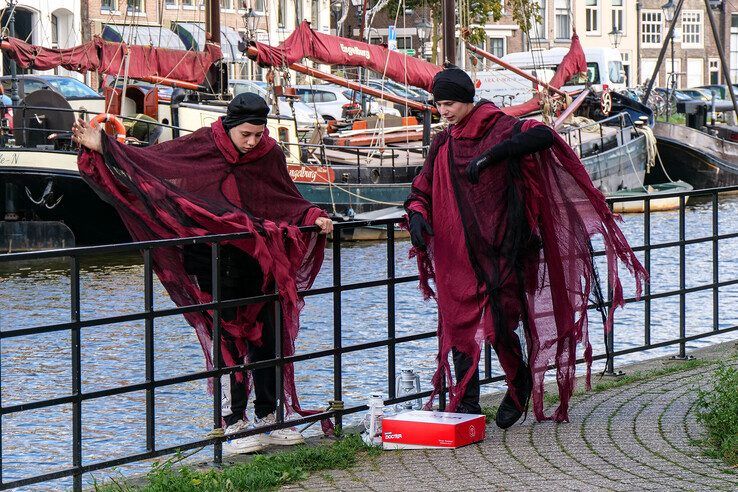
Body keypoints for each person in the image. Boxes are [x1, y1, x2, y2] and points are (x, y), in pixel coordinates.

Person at [72, 93, 333, 454]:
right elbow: (153, 163)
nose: (252, 142)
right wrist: (103, 145)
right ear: (230, 127)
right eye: (246, 135)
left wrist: (312, 217)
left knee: (269, 339)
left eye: (259, 134)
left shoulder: (269, 154)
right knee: (227, 341)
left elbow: (285, 199)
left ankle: (271, 418)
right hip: (211, 261)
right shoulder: (202, 145)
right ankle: (235, 424)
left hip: (260, 261)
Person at [405, 67, 647, 428]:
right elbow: (421, 190)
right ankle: (467, 406)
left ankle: (518, 382)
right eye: (439, 104)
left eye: (450, 103)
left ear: (468, 99)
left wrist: (495, 155)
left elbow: (544, 136)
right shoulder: (444, 143)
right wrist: (417, 215)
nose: (444, 111)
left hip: (504, 248)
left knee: (502, 325)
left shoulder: (500, 127)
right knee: (457, 325)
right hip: (458, 255)